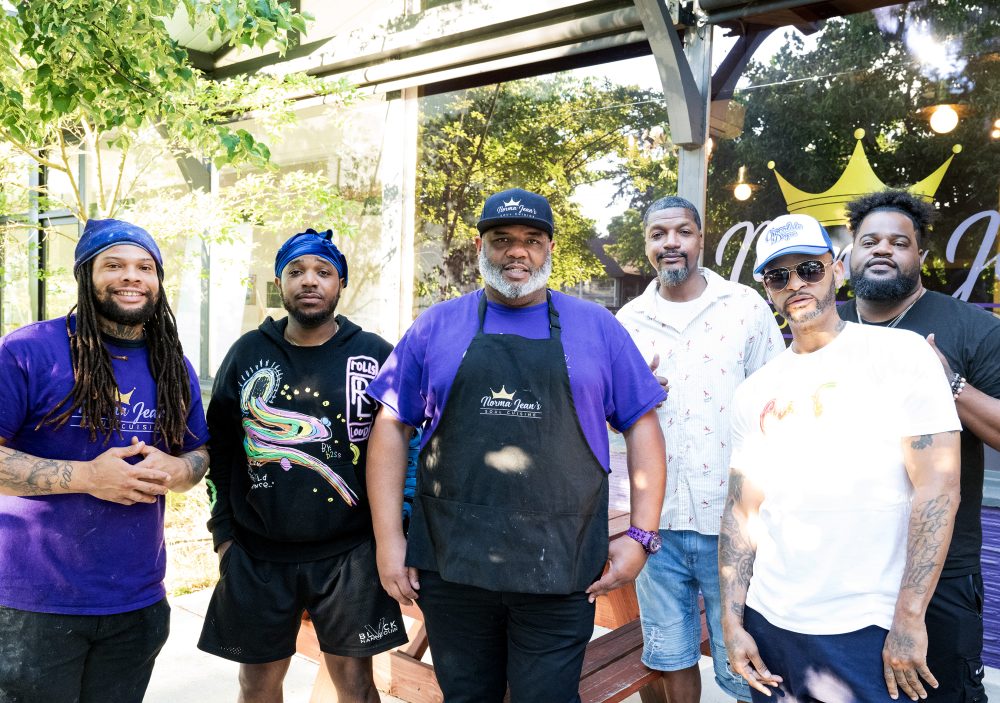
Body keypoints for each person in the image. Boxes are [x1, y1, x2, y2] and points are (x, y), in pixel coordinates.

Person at [366, 188, 667, 703]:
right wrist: (390, 541)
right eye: (502, 239)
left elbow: (643, 426)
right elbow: (391, 429)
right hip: (452, 565)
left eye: (531, 239)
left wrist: (641, 535)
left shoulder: (597, 328)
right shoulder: (437, 325)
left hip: (563, 567)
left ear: (550, 248)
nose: (517, 252)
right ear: (481, 246)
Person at [719, 213, 962, 703]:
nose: (795, 284)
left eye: (809, 269)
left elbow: (937, 490)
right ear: (767, 289)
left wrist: (909, 619)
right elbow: (742, 511)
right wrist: (732, 619)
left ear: (837, 269)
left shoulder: (900, 355)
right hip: (771, 622)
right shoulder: (753, 390)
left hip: (863, 626)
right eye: (778, 276)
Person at [0, 219, 209, 703]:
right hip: (36, 605)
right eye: (113, 265)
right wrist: (88, 476)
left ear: (158, 281)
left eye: (144, 267)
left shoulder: (172, 365)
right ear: (85, 276)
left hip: (136, 604)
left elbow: (199, 452)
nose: (131, 276)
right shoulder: (28, 351)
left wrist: (180, 470)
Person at [198, 228, 406, 703]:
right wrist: (224, 536)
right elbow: (222, 450)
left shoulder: (374, 353)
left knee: (354, 685)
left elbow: (404, 449)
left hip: (350, 554)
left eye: (323, 272)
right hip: (256, 551)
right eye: (296, 272)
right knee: (257, 684)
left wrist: (396, 529)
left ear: (340, 284)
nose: (309, 281)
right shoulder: (248, 352)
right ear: (280, 282)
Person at [616, 196, 781, 703]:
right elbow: (601, 410)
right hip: (655, 522)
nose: (671, 243)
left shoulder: (746, 307)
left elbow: (778, 402)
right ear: (647, 245)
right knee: (669, 654)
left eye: (682, 232)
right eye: (658, 234)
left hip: (733, 520)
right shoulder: (627, 319)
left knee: (745, 659)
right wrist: (629, 394)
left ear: (700, 239)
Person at [839, 189, 1000, 702]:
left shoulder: (972, 328)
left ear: (921, 259)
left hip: (940, 572)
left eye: (898, 242)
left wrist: (949, 384)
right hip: (843, 565)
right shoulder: (827, 327)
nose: (882, 250)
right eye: (869, 241)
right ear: (848, 256)